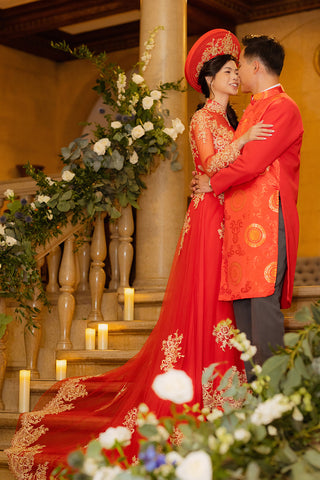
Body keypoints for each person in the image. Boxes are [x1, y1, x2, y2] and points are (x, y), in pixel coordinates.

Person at [6, 29, 273, 479]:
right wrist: (244, 145)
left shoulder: (232, 119)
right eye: (227, 72)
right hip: (209, 220)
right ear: (209, 80)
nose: (234, 77)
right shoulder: (206, 120)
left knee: (226, 304)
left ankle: (226, 392)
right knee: (209, 303)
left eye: (235, 71)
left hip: (229, 217)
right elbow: (210, 166)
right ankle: (200, 394)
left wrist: (241, 146)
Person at [191, 34, 303, 379]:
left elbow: (253, 162)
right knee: (243, 306)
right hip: (240, 223)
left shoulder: (282, 107)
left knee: (261, 303)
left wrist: (213, 182)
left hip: (267, 221)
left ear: (256, 66)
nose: (238, 71)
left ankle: (272, 399)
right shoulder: (251, 108)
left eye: (240, 65)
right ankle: (253, 402)